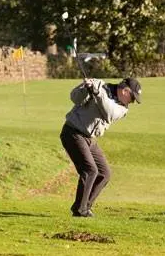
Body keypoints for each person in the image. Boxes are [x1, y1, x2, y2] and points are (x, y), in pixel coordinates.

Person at [60, 77, 142, 217]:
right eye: (132, 97)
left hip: (89, 138)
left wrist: (98, 93)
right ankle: (80, 210)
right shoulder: (99, 85)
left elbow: (109, 112)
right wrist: (86, 88)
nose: (132, 101)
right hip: (73, 133)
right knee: (90, 170)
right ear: (125, 91)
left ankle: (85, 206)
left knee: (104, 173)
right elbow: (75, 98)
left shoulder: (122, 108)